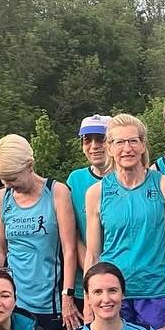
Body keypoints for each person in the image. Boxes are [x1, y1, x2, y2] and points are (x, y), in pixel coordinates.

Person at [85, 114, 165, 330]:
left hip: (155, 292)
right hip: (112, 295)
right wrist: (88, 301)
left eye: (133, 141)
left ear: (142, 145)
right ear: (109, 148)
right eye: (119, 142)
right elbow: (93, 255)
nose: (127, 148)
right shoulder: (97, 192)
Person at [0, 134, 80, 330]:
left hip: (49, 300)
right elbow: (3, 250)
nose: (8, 185)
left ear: (29, 165)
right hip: (13, 300)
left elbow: (69, 249)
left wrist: (68, 296)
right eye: (3, 180)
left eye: (12, 179)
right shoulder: (0, 199)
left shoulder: (57, 192)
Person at [66, 115, 111, 316]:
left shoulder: (130, 179)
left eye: (100, 139)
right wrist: (94, 271)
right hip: (85, 280)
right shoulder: (75, 180)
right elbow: (72, 233)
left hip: (124, 281)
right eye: (87, 140)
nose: (94, 146)